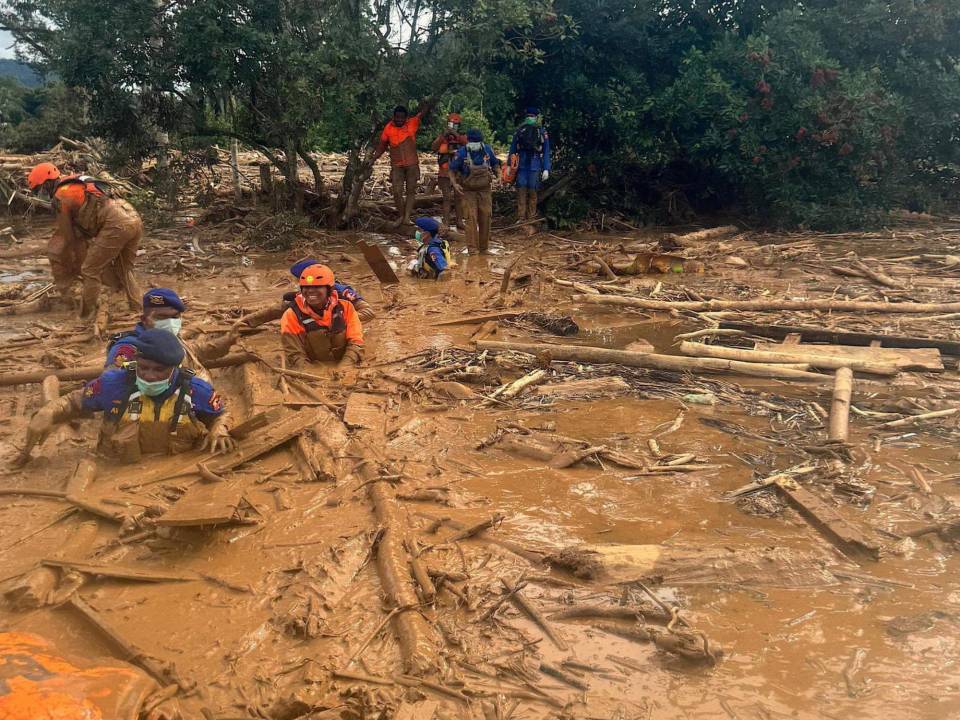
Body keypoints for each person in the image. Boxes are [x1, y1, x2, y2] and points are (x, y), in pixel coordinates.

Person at [21, 328, 235, 464]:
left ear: (175, 368)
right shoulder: (112, 384)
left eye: (159, 370)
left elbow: (220, 414)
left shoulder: (196, 389)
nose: (149, 376)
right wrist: (49, 411)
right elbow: (73, 402)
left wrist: (219, 429)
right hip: (113, 465)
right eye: (144, 368)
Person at [27, 163, 143, 319]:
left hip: (115, 224)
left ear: (47, 183)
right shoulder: (76, 182)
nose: (40, 194)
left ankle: (86, 316)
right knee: (125, 269)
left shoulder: (61, 196)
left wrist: (73, 261)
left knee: (89, 270)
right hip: (132, 217)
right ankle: (138, 309)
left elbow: (69, 237)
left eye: (39, 189)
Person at [105, 288, 238, 380]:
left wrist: (228, 340)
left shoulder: (173, 339)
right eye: (161, 317)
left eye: (175, 317)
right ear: (144, 320)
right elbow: (110, 383)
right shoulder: (129, 348)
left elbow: (195, 352)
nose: (170, 322)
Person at [280, 264, 364, 368]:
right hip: (311, 364)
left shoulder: (346, 307)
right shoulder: (291, 315)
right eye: (306, 287)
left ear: (329, 289)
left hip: (344, 362)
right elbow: (295, 355)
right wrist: (316, 376)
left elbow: (356, 342)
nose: (310, 291)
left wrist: (344, 368)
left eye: (317, 286)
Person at [450, 129, 501, 254]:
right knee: (470, 218)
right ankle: (472, 250)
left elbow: (495, 164)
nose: (474, 144)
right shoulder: (462, 153)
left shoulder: (487, 150)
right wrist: (455, 184)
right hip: (468, 191)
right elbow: (452, 170)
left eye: (476, 141)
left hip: (485, 190)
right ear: (468, 140)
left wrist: (499, 176)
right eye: (473, 141)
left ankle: (484, 248)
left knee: (486, 217)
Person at [371, 105, 423, 227]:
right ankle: (401, 215)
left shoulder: (412, 123)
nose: (399, 120)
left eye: (402, 118)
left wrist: (428, 102)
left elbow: (422, 112)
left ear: (406, 118)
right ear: (393, 117)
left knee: (411, 191)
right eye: (397, 117)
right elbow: (382, 146)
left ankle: (407, 217)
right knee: (397, 191)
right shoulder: (388, 129)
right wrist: (373, 159)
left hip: (412, 164)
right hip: (397, 166)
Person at [287, 260, 375, 321]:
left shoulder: (342, 292)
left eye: (297, 280)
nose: (296, 283)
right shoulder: (303, 293)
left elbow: (368, 312)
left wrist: (337, 318)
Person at [507, 107, 552, 221]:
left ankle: (526, 217)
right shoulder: (528, 130)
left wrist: (546, 168)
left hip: (529, 164)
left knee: (527, 190)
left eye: (531, 116)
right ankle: (525, 217)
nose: (530, 118)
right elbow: (513, 149)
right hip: (528, 165)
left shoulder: (535, 131)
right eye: (529, 116)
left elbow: (546, 151)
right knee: (526, 190)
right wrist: (509, 165)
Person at [431, 113, 467, 229]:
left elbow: (466, 143)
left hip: (458, 172)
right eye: (452, 124)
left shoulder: (462, 137)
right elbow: (434, 147)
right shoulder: (442, 137)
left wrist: (455, 134)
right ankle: (446, 222)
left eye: (456, 124)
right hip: (444, 172)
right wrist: (443, 136)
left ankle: (459, 221)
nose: (453, 126)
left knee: (459, 197)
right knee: (446, 197)